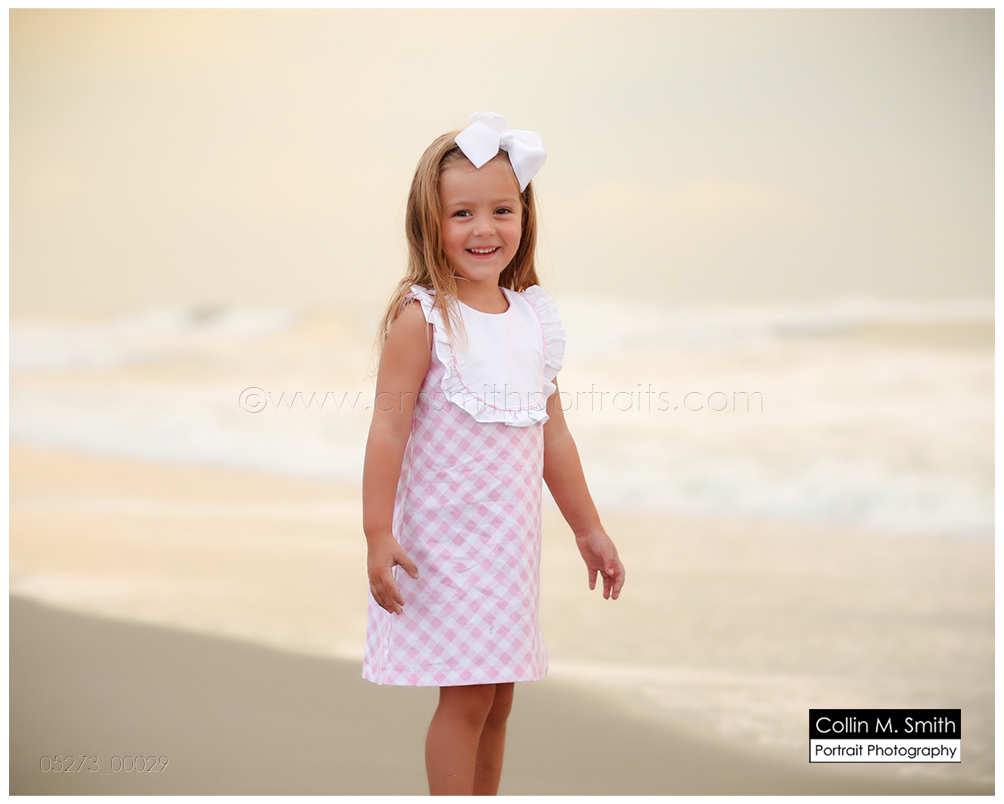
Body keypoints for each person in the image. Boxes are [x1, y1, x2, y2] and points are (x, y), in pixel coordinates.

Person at [362, 111, 625, 796]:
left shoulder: (534, 319)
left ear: (524, 216)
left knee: (500, 696)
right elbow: (387, 431)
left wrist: (588, 527)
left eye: (502, 210)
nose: (485, 229)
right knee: (469, 696)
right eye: (462, 213)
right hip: (445, 547)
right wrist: (376, 533)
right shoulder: (424, 319)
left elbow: (553, 436)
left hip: (508, 548)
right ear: (431, 224)